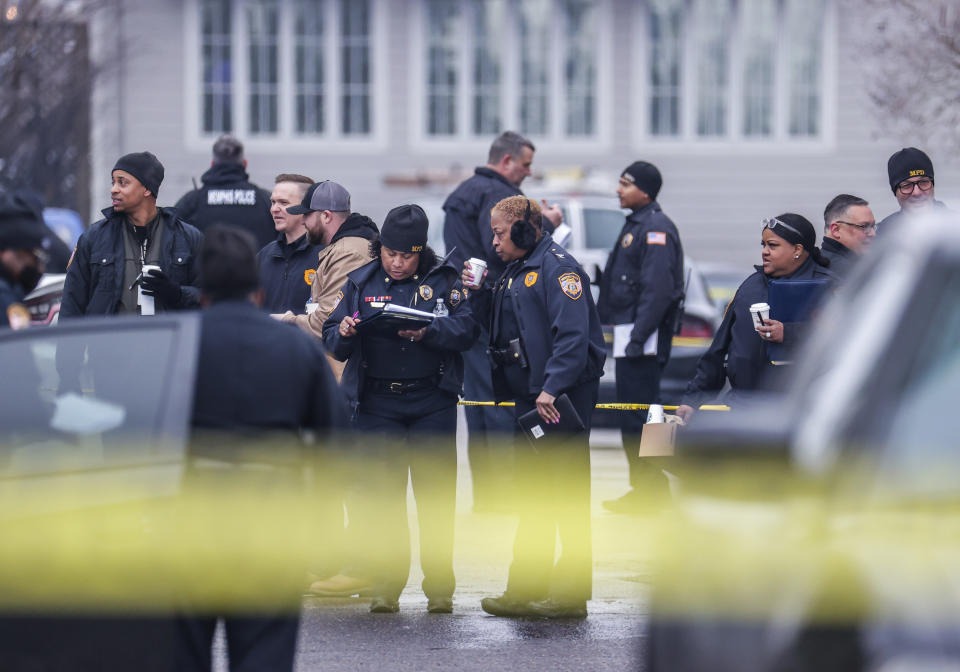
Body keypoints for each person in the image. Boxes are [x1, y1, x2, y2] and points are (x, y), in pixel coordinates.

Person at [177, 225, 346, 672]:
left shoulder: (176, 345)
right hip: (271, 526)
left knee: (183, 652)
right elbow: (331, 442)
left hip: (189, 528)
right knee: (264, 655)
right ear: (257, 291)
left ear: (204, 294)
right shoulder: (295, 348)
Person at [322, 205, 478, 614]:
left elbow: (467, 328)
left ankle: (440, 588)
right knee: (384, 501)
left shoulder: (443, 279)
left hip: (432, 403)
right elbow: (331, 338)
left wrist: (430, 331)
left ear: (420, 251)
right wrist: (343, 331)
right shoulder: (360, 281)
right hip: (377, 406)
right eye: (390, 253)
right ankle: (386, 586)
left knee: (436, 499)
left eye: (406, 255)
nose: (397, 262)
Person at [468, 195, 605, 619]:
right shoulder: (515, 269)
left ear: (526, 230)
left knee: (564, 497)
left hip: (558, 399)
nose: (493, 241)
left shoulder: (559, 269)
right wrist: (477, 292)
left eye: (499, 232)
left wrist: (552, 387)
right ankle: (525, 589)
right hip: (532, 397)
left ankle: (569, 595)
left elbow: (573, 337)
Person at [442, 131, 563, 513]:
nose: (529, 172)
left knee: (477, 407)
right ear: (507, 161)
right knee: (498, 408)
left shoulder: (463, 192)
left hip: (466, 312)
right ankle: (506, 500)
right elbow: (508, 250)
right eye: (526, 164)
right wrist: (550, 226)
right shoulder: (499, 199)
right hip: (495, 315)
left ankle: (486, 501)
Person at [676, 214, 831, 422]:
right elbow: (718, 351)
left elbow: (843, 338)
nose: (765, 252)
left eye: (773, 245)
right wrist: (693, 399)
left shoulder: (826, 288)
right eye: (763, 245)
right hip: (742, 406)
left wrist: (789, 332)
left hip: (796, 412)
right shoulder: (750, 286)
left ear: (797, 250)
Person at [597, 161, 684, 515]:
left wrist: (639, 336)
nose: (619, 189)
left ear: (645, 191)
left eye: (625, 184)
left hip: (641, 340)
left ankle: (653, 489)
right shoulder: (637, 223)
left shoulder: (655, 228)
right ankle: (646, 487)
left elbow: (658, 289)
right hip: (629, 335)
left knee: (646, 417)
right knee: (635, 415)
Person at [60, 151, 203, 318]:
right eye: (113, 182)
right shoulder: (94, 238)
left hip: (166, 342)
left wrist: (177, 294)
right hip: (109, 342)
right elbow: (72, 305)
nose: (114, 190)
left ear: (147, 189)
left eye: (123, 183)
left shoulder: (187, 238)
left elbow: (209, 298)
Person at [275, 180, 378, 379]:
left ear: (326, 216)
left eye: (306, 214)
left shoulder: (348, 253)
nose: (302, 221)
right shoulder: (341, 248)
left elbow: (326, 322)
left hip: (346, 376)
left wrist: (283, 320)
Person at [174, 134, 275, 249]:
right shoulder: (267, 201)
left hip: (205, 267)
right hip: (255, 267)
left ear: (212, 164)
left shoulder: (191, 203)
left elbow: (168, 237)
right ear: (245, 164)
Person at [257, 174, 324, 314]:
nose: (274, 209)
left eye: (283, 203)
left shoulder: (326, 256)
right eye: (273, 202)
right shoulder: (264, 256)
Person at [0, 192, 47, 329]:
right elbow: (16, 348)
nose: (39, 267)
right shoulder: (4, 298)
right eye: (34, 256)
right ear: (8, 253)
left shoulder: (11, 289)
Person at [877, 147, 948, 234]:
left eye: (923, 182)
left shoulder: (955, 228)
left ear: (932, 185)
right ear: (895, 192)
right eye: (906, 186)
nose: (916, 192)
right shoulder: (882, 234)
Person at [820, 194, 876, 280]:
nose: (873, 233)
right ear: (836, 230)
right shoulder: (850, 274)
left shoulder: (818, 264)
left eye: (873, 226)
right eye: (864, 226)